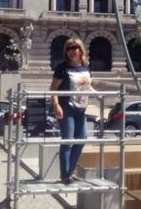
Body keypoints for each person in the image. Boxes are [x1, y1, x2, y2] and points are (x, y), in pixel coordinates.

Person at [50, 37, 93, 184]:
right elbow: (53, 89)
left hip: (81, 108)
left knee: (82, 140)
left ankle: (70, 171)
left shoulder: (86, 67)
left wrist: (98, 94)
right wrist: (56, 105)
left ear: (81, 50)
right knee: (68, 141)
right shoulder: (62, 68)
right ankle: (65, 175)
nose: (72, 51)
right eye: (68, 48)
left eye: (74, 48)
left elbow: (86, 85)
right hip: (66, 107)